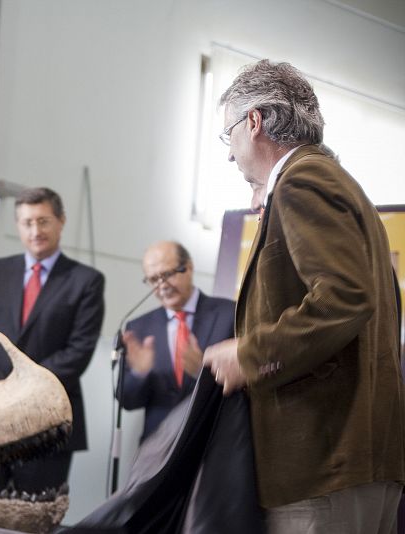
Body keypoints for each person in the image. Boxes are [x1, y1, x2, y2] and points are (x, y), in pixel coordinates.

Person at [203, 59, 405, 533]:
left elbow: (343, 298)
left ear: (253, 123)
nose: (229, 155)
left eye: (226, 135)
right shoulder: (335, 182)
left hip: (322, 461)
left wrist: (250, 355)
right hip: (352, 460)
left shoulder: (301, 180)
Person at [0, 186, 105, 493]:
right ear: (18, 225)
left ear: (61, 221)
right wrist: (0, 387)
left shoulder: (86, 281)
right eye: (27, 222)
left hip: (47, 422)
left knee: (35, 514)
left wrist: (25, 387)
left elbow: (78, 351)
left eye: (43, 221)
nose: (35, 230)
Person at [116, 241, 234, 442]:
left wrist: (202, 372)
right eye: (153, 280)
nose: (162, 286)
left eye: (168, 275)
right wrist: (139, 373)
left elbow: (245, 388)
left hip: (213, 441)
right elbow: (127, 401)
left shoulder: (230, 314)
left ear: (188, 268)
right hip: (157, 446)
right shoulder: (138, 327)